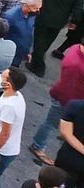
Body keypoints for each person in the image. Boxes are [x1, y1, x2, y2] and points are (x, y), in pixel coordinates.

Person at [29, 34, 84, 166]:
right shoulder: (76, 65)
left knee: (52, 122)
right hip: (66, 100)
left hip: (67, 97)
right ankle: (37, 145)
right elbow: (68, 88)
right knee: (51, 123)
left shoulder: (76, 48)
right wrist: (70, 110)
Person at [30, 0, 84, 77]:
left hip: (41, 16)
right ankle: (38, 62)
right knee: (47, 41)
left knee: (39, 39)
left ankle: (37, 62)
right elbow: (77, 10)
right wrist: (73, 23)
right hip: (59, 21)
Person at [0, 68, 28, 188]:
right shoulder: (16, 95)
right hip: (4, 148)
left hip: (2, 150)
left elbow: (5, 134)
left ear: (8, 84)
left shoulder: (9, 106)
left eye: (2, 76)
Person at [55, 99, 84, 187]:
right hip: (70, 161)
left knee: (59, 184)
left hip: (69, 158)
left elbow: (65, 133)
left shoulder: (75, 106)